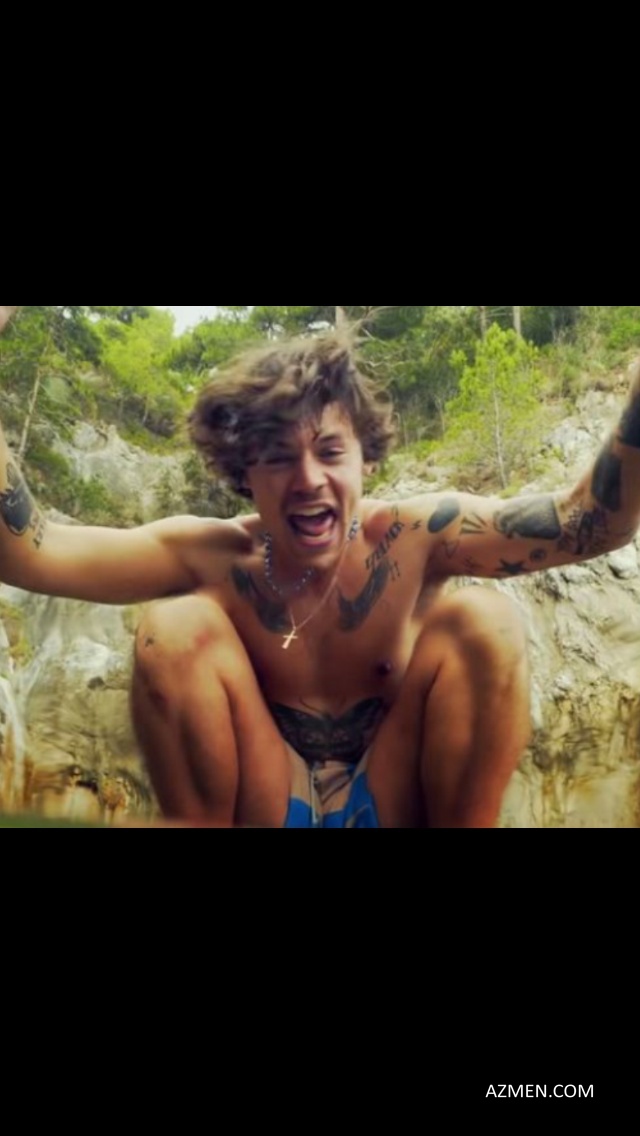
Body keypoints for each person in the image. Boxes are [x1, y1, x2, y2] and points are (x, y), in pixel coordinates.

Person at [1, 304, 639, 827]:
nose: (308, 479)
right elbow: (32, 554)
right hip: (267, 797)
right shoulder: (215, 557)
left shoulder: (416, 537)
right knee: (172, 628)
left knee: (484, 620)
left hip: (390, 794)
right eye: (278, 458)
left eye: (330, 451)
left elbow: (587, 525)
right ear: (245, 475)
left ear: (367, 459)